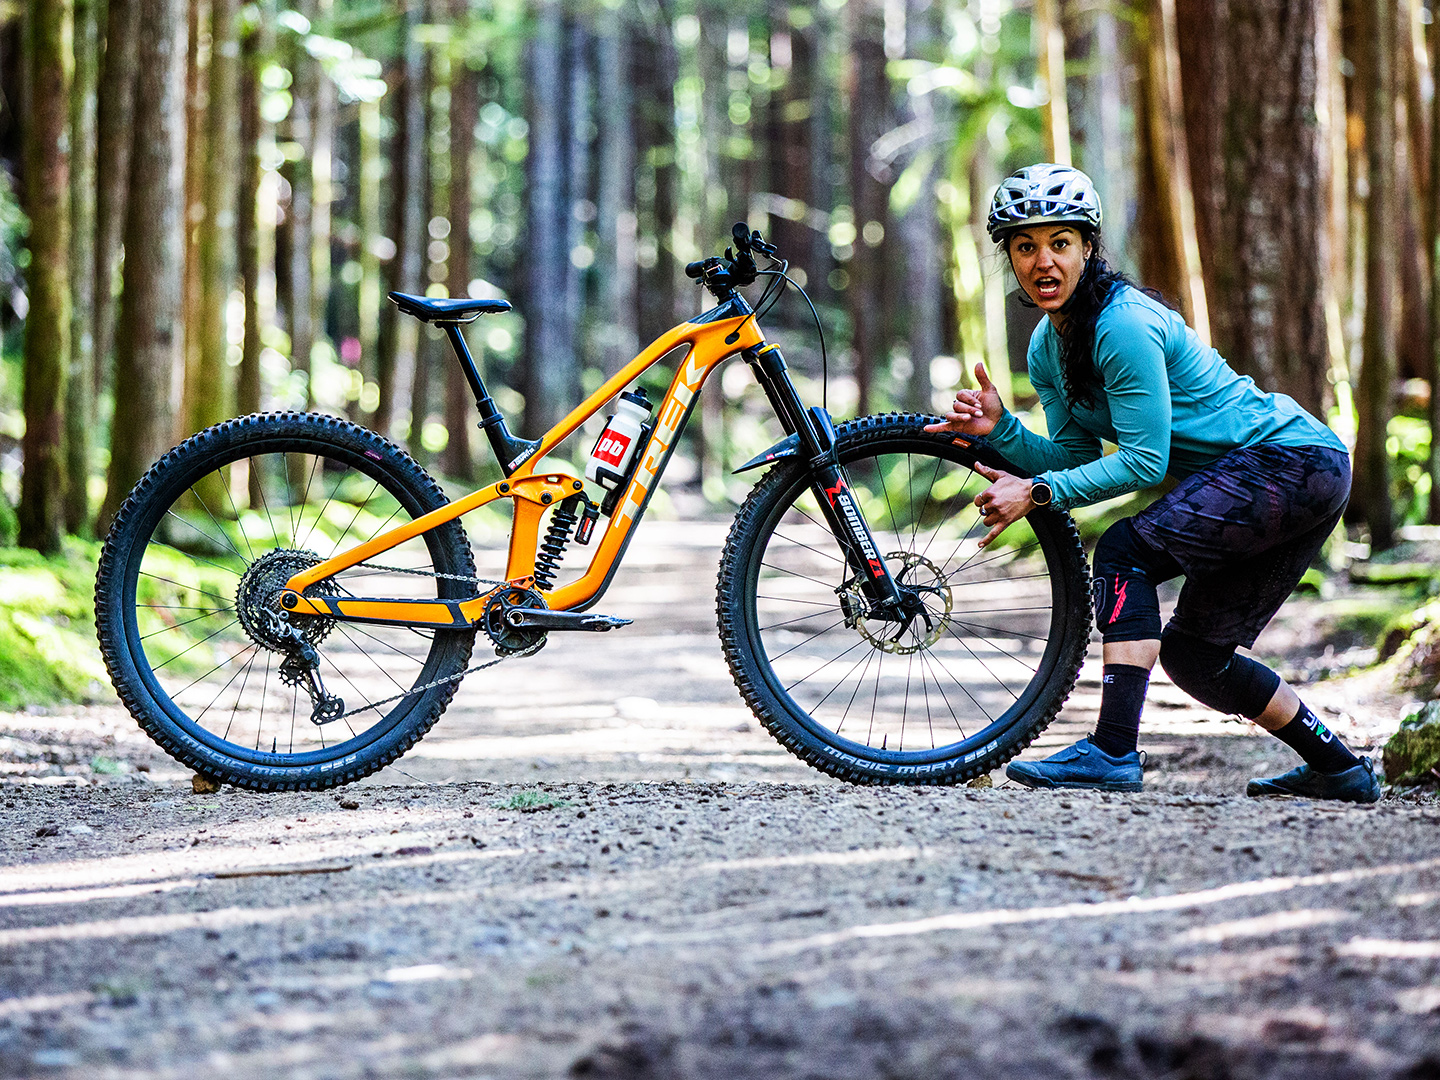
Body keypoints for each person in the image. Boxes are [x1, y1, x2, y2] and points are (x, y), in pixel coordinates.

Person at [924, 162, 1380, 803]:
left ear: (1088, 247)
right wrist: (1002, 432)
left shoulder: (1123, 326)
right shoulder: (1047, 349)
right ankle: (1340, 767)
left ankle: (1112, 750)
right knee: (1196, 658)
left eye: (1059, 242)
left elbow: (1144, 463)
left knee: (1122, 551)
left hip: (1293, 459)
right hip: (1287, 473)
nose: (1043, 261)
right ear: (1010, 258)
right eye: (1025, 246)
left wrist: (1034, 493)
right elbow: (1073, 455)